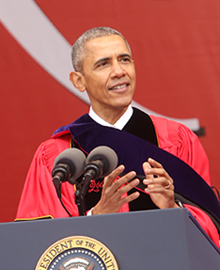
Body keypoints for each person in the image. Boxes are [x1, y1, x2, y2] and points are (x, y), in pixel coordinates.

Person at [16, 27, 220, 248]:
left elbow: (210, 226)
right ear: (78, 81)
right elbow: (36, 243)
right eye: (103, 64)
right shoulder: (58, 155)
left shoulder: (177, 139)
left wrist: (172, 210)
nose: (119, 71)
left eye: (124, 60)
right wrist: (97, 215)